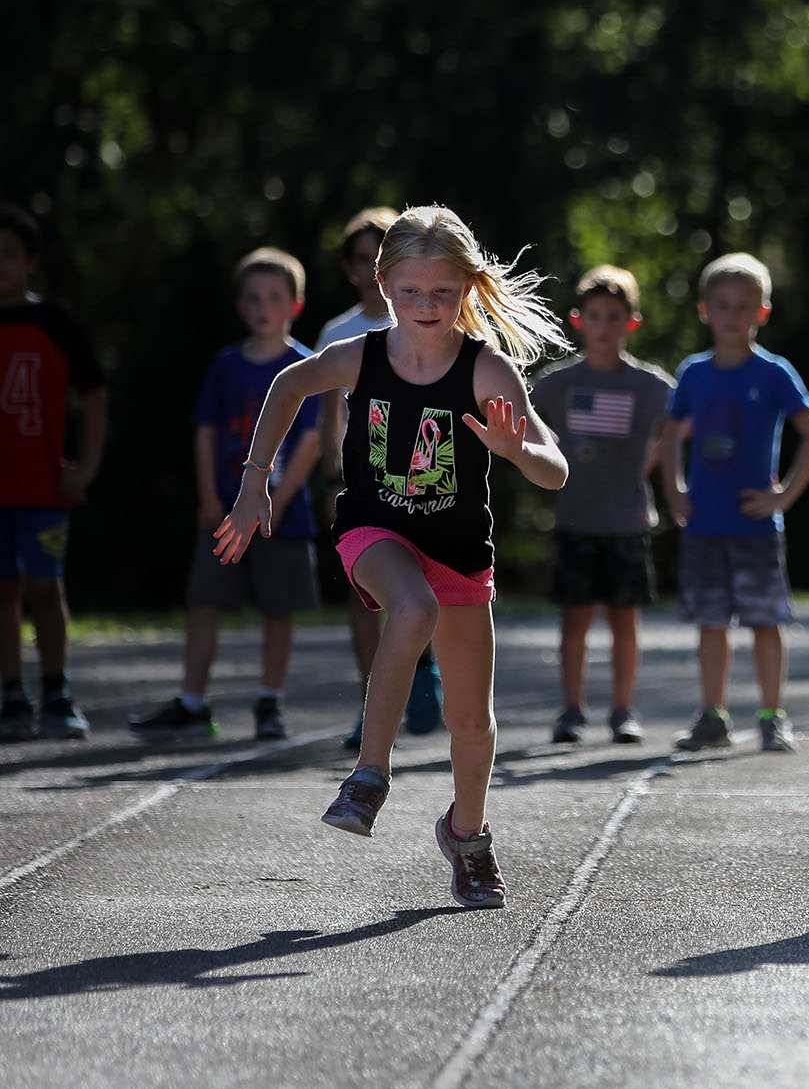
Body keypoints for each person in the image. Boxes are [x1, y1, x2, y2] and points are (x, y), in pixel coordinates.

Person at [216, 205, 571, 911]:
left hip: (459, 550)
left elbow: (555, 469)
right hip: (375, 531)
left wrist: (514, 449)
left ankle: (466, 835)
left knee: (473, 724)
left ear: (468, 290)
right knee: (411, 607)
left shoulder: (486, 369)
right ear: (382, 285)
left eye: (442, 292)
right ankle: (368, 776)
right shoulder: (362, 355)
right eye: (410, 291)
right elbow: (288, 386)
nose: (426, 306)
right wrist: (255, 482)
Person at [130, 249, 322, 741]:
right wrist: (210, 500)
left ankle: (269, 701)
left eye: (275, 297)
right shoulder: (226, 365)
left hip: (281, 513)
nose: (263, 306)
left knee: (278, 609)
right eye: (254, 297)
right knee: (203, 600)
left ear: (295, 305)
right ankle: (192, 701)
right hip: (228, 510)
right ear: (241, 306)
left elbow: (311, 439)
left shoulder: (307, 366)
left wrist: (278, 500)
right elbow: (206, 432)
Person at [664, 253, 809, 754]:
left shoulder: (775, 372)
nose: (733, 314)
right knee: (710, 624)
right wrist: (673, 487)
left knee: (766, 622)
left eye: (744, 306)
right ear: (704, 311)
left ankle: (770, 715)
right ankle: (713, 715)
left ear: (763, 312)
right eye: (722, 305)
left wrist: (784, 494)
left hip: (757, 526)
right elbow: (671, 434)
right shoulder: (692, 373)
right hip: (704, 525)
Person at [315, 207, 443, 749]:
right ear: (351, 269)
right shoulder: (338, 333)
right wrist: (329, 481)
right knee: (363, 593)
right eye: (363, 260)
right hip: (361, 486)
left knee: (424, 586)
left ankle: (424, 665)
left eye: (381, 258)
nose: (372, 270)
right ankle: (371, 704)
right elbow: (328, 416)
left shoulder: (424, 318)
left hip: (423, 480)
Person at [530, 265, 674, 744]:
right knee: (574, 620)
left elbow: (685, 419)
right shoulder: (558, 382)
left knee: (624, 622)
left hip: (627, 522)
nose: (604, 325)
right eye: (595, 315)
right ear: (578, 320)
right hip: (575, 519)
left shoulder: (652, 385)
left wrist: (658, 464)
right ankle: (571, 710)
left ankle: (622, 711)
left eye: (615, 316)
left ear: (632, 321)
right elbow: (517, 409)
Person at [0, 203, 106, 742]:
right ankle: (11, 696)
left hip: (43, 486)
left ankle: (57, 693)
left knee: (44, 587)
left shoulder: (53, 323)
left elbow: (94, 394)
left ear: (30, 260)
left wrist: (84, 465)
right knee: (4, 589)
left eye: (10, 255)